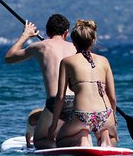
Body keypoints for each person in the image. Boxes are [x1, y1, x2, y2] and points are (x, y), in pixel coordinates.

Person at [4, 14, 77, 149]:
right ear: (66, 32)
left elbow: (9, 57)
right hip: (77, 102)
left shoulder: (39, 46)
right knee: (70, 135)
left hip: (54, 102)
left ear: (48, 32)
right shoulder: (76, 48)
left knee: (40, 140)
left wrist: (26, 35)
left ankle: (55, 147)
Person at [48, 19, 118, 148]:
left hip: (82, 115)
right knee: (114, 140)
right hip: (105, 114)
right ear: (93, 40)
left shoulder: (67, 62)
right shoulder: (104, 61)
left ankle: (82, 136)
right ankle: (105, 135)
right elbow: (112, 97)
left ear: (73, 42)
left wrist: (53, 126)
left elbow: (60, 97)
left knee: (60, 141)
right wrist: (113, 121)